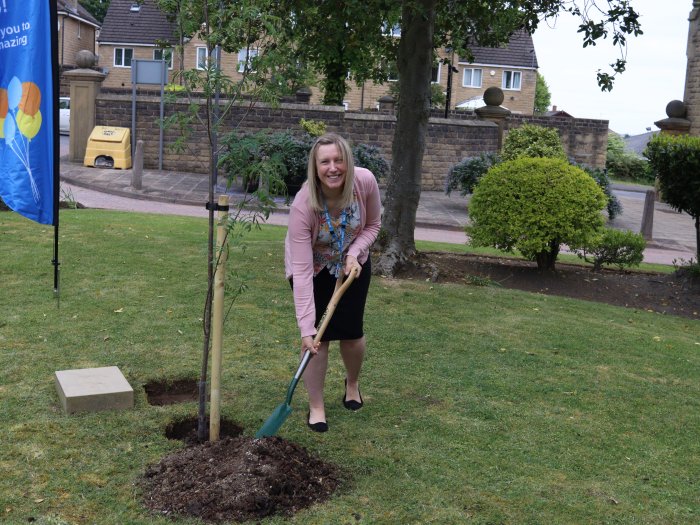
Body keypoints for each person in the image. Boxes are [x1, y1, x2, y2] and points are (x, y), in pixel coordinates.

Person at [284, 133, 381, 432]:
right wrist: (305, 328)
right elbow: (300, 273)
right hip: (311, 269)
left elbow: (373, 225)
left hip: (353, 268)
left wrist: (354, 253)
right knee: (317, 341)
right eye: (325, 161)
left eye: (339, 160)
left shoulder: (364, 182)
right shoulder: (304, 205)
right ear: (315, 168)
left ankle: (352, 384)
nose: (333, 167)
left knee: (352, 334)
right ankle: (316, 405)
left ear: (348, 162)